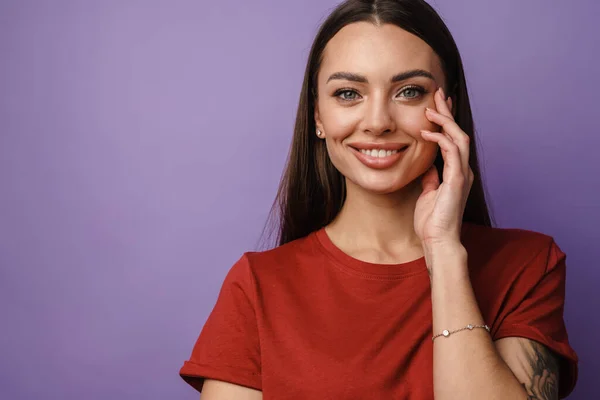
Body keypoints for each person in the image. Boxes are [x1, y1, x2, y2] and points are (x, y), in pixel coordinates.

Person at [179, 0, 578, 398]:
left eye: (409, 91)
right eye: (349, 93)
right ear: (318, 115)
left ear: (448, 107)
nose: (377, 122)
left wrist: (442, 251)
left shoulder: (527, 266)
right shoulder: (257, 285)